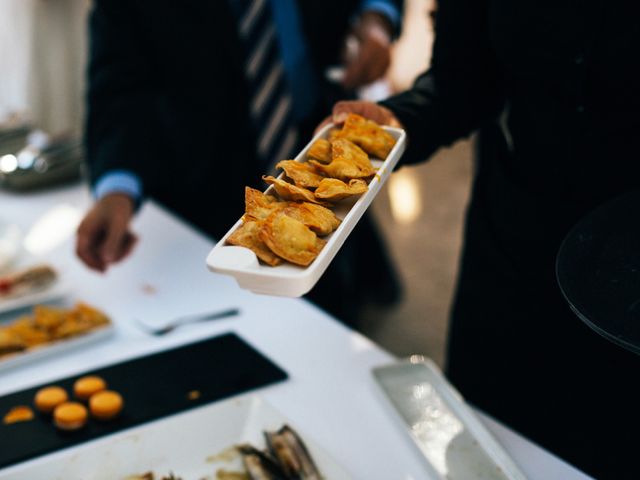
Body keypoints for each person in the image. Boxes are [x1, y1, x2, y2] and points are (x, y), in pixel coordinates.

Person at [323, 1, 640, 478]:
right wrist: (399, 121)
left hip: (629, 291)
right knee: (484, 448)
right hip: (515, 246)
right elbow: (464, 80)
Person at [76, 0, 403, 323]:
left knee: (331, 303)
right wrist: (117, 188)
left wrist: (377, 16)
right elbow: (119, 87)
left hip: (314, 134)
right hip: (203, 175)